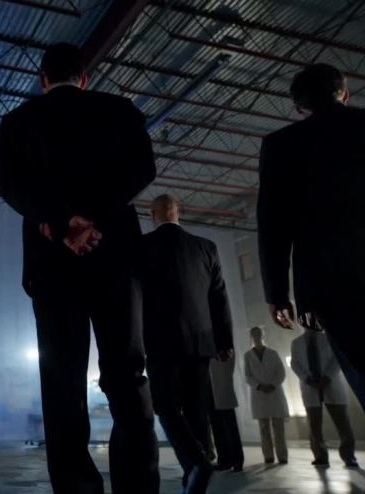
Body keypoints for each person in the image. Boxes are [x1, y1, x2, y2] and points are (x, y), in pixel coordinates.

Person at [0, 42, 159, 494]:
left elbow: (11, 187)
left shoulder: (16, 122)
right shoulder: (120, 111)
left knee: (62, 380)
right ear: (84, 77)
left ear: (43, 80)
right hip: (115, 257)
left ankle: (76, 486)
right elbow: (143, 170)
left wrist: (61, 220)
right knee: (126, 374)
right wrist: (95, 217)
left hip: (51, 262)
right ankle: (138, 485)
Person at [257, 63, 365, 410]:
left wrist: (277, 294)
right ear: (344, 93)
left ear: (299, 106)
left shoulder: (281, 146)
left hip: (331, 283)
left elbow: (273, 224)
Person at [140, 195, 234, 494]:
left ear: (152, 214)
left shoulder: (141, 247)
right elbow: (219, 297)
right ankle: (194, 481)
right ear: (178, 212)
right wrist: (224, 341)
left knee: (164, 405)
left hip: (160, 340)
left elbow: (133, 295)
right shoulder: (206, 247)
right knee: (197, 411)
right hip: (201, 342)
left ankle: (196, 461)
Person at [290, 328, 358, 468]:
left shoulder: (329, 338)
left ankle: (349, 456)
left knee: (342, 423)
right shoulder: (296, 343)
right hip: (310, 387)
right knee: (314, 425)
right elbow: (294, 363)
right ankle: (320, 456)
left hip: (331, 384)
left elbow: (337, 359)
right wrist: (307, 379)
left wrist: (327, 377)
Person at [244, 326, 289, 464]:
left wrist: (272, 385)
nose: (256, 337)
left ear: (263, 335)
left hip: (274, 392)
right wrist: (259, 386)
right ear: (251, 337)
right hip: (259, 394)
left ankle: (282, 456)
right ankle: (268, 456)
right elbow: (247, 376)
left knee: (278, 427)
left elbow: (281, 372)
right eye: (254, 334)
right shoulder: (248, 356)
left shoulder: (273, 353)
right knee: (264, 428)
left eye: (258, 334)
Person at [208, 355, 245, 472]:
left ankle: (236, 460)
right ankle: (225, 460)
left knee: (229, 426)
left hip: (220, 385)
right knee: (217, 427)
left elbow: (228, 359)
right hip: (211, 385)